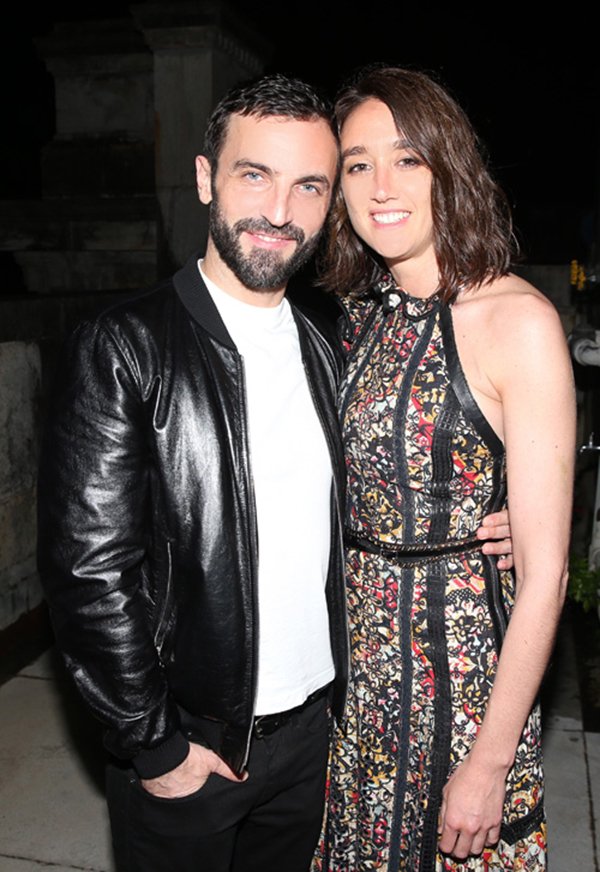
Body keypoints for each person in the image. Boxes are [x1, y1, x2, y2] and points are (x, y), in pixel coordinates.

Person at [37, 72, 512, 872]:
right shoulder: (125, 346)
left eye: (310, 187)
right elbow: (87, 572)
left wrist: (499, 515)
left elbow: (402, 468)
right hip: (192, 750)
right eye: (255, 175)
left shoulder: (334, 343)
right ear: (205, 179)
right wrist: (154, 745)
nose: (281, 211)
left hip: (317, 742)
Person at [316, 66, 575, 871]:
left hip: (465, 689)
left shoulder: (518, 321)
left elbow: (546, 574)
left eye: (407, 159)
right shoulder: (355, 319)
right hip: (358, 682)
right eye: (358, 164)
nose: (381, 186)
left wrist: (490, 762)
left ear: (448, 168)